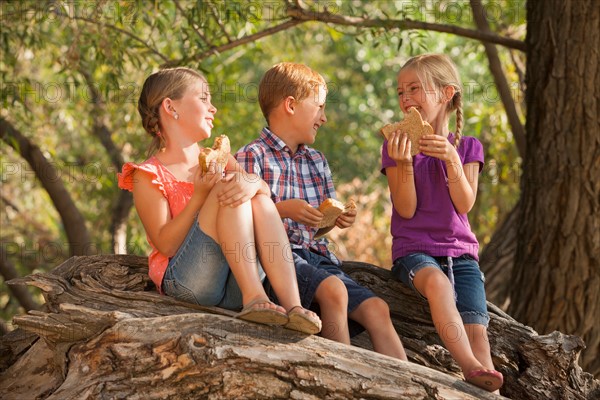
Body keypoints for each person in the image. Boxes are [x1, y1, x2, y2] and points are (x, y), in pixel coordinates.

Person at [117, 67, 321, 335]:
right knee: (228, 187)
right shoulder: (148, 174)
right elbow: (164, 244)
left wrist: (252, 182)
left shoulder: (220, 158)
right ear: (170, 107)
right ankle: (255, 297)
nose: (213, 108)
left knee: (256, 197)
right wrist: (200, 196)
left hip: (233, 281)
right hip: (188, 283)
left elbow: (263, 193)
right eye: (203, 99)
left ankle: (292, 306)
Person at [236, 62, 407, 361]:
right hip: (279, 261)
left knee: (377, 309)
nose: (324, 118)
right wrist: (283, 211)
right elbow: (241, 222)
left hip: (319, 258)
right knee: (334, 292)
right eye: (319, 107)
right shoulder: (251, 156)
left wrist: (334, 220)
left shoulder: (317, 161)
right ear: (290, 105)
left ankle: (407, 386)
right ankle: (344, 377)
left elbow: (317, 227)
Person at [381, 53, 503, 392]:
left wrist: (450, 158)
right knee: (438, 285)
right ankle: (468, 367)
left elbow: (464, 203)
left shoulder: (467, 147)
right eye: (400, 92)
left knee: (478, 331)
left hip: (462, 256)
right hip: (415, 252)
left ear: (446, 93)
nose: (405, 99)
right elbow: (406, 210)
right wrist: (405, 164)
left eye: (415, 89)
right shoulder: (395, 147)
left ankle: (485, 377)